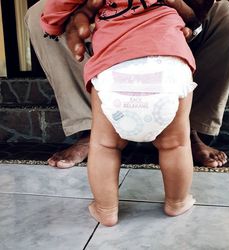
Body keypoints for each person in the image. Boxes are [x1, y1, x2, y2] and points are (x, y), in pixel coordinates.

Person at [24, 0, 229, 168]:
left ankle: (186, 129)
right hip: (109, 13)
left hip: (184, 12)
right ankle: (94, 129)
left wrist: (190, 15)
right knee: (39, 15)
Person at [41, 0, 204, 226]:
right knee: (176, 144)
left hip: (113, 67)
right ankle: (177, 202)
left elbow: (57, 5)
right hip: (169, 63)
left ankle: (106, 209)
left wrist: (51, 25)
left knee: (104, 145)